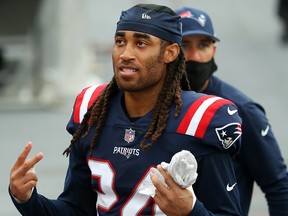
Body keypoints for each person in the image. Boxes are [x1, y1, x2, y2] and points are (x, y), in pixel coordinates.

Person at [9, 4, 243, 215]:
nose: (126, 54)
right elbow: (76, 209)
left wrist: (191, 211)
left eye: (141, 43)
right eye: (120, 41)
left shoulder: (201, 119)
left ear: (170, 53)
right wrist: (28, 199)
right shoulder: (92, 109)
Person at [176, 6, 288, 216]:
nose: (196, 56)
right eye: (185, 45)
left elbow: (278, 185)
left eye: (203, 45)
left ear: (214, 50)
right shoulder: (154, 102)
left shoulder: (241, 111)